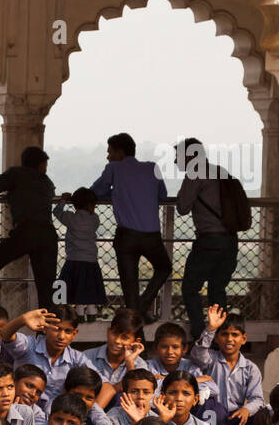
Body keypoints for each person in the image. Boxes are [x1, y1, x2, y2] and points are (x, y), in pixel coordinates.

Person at [90, 132, 170, 321]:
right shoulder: (153, 168)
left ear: (120, 152)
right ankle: (144, 304)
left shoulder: (114, 168)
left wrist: (115, 194)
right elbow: (163, 196)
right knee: (164, 268)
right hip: (151, 235)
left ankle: (136, 327)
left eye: (110, 152)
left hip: (126, 236)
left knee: (129, 289)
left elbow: (96, 191)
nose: (108, 156)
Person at [0, 145, 58, 312]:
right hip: (48, 235)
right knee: (45, 289)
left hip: (26, 231)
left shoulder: (16, 174)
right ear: (41, 165)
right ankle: (47, 332)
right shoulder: (47, 182)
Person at [175, 138, 241, 337]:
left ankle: (199, 332)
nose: (176, 161)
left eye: (178, 156)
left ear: (190, 155)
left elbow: (182, 207)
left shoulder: (195, 174)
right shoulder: (220, 172)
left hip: (209, 240)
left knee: (190, 288)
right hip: (230, 239)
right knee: (217, 288)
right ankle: (220, 334)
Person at [53, 188, 106, 321]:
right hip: (91, 260)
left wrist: (63, 200)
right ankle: (92, 310)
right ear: (90, 205)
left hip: (74, 259)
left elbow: (57, 212)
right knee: (89, 286)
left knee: (75, 286)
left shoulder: (71, 218)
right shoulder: (94, 219)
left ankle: (79, 312)